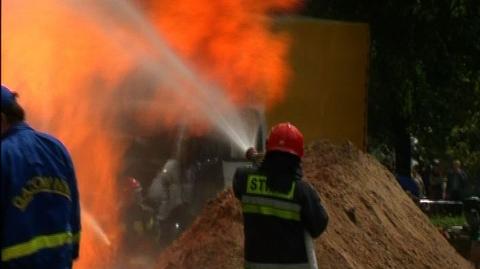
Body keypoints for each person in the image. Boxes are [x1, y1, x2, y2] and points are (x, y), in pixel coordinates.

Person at [1, 85, 81, 269]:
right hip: (59, 262)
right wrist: (71, 252)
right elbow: (73, 209)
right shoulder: (56, 148)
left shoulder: (3, 155)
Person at [233, 122, 328, 269]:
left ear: (268, 148)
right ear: (298, 156)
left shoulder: (244, 178)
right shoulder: (302, 191)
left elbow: (241, 188)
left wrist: (261, 165)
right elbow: (318, 226)